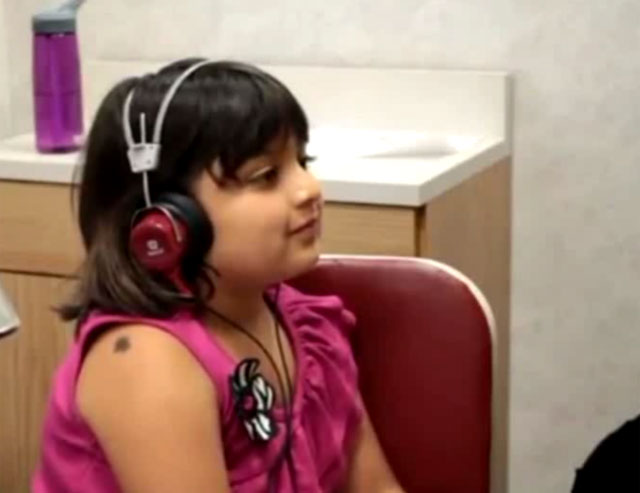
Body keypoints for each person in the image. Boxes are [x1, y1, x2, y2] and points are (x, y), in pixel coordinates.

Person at [32, 58, 404, 493]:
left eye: (303, 160)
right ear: (165, 219)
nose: (309, 188)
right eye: (266, 175)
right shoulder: (146, 361)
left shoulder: (307, 324)